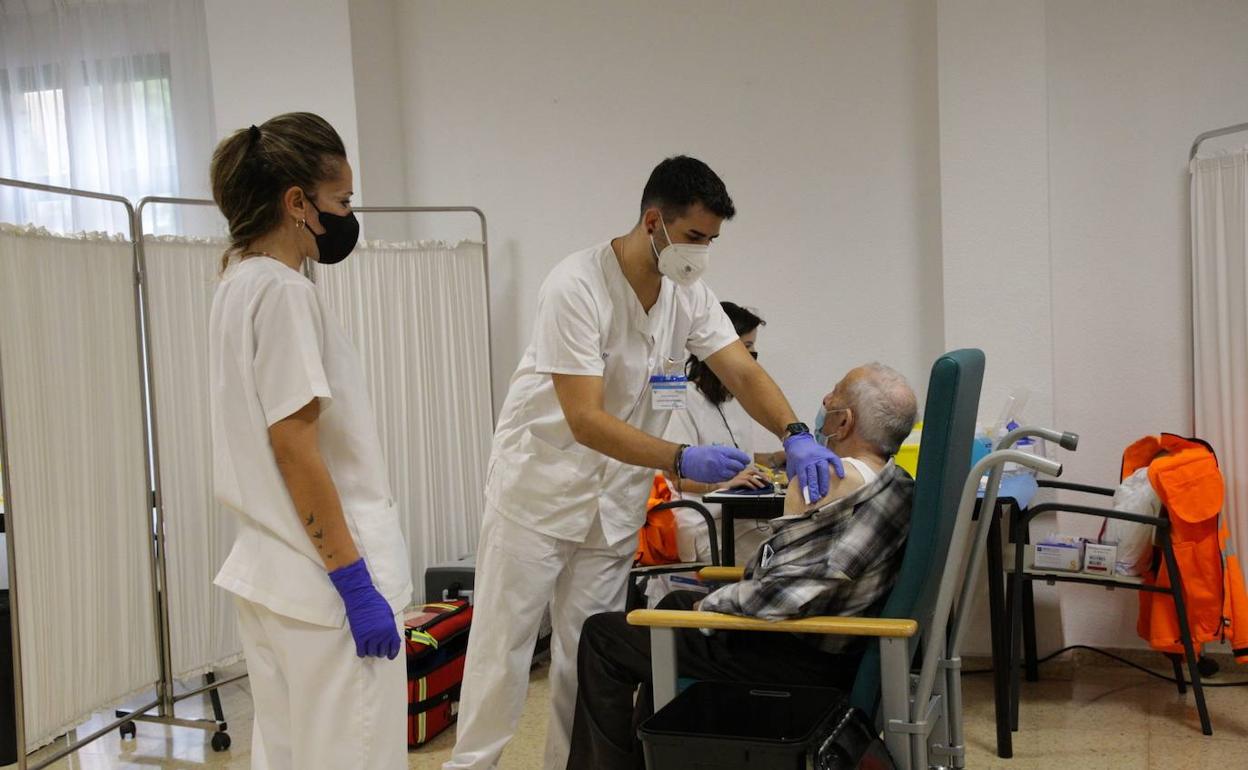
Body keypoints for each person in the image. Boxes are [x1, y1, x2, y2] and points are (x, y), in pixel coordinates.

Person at [446, 156, 842, 770]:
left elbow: (740, 368)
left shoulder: (689, 294)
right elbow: (585, 418)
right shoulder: (574, 286)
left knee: (589, 659)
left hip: (613, 505)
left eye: (711, 241)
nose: (702, 253)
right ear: (653, 221)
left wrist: (794, 433)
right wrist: (681, 457)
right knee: (503, 654)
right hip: (539, 492)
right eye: (693, 237)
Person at [566, 363, 919, 770]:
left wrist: (712, 607)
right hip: (830, 642)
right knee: (673, 605)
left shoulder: (829, 480)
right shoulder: (897, 479)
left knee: (603, 636)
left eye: (834, 393)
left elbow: (784, 593)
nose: (824, 400)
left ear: (843, 422)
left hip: (796, 651)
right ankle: (654, 754)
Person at [207, 112, 410, 770]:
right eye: (342, 200)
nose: (349, 215)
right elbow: (295, 448)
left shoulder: (235, 286)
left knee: (288, 755)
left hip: (272, 577)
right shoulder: (285, 293)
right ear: (297, 203)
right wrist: (355, 584)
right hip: (323, 588)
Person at [662, 301, 782, 564]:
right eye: (747, 348)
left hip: (741, 521)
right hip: (703, 526)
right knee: (774, 561)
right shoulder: (682, 400)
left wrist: (775, 459)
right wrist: (722, 485)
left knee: (788, 548)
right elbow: (673, 479)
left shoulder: (735, 401)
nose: (752, 359)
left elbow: (737, 462)